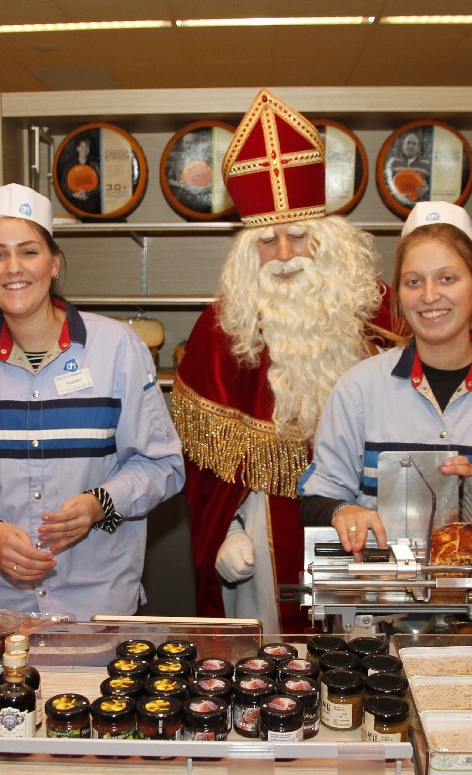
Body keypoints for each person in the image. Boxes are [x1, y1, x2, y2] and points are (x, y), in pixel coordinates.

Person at [172, 89, 404, 633]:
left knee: (364, 654)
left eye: (297, 236)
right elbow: (206, 465)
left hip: (369, 519)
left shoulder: (376, 306)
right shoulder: (220, 327)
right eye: (266, 241)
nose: (282, 255)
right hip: (262, 527)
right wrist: (228, 529)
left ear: (326, 239)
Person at [0, 183, 184, 619]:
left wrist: (99, 502)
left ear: (54, 262)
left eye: (29, 251)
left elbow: (162, 465)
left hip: (95, 603)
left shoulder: (117, 349)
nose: (13, 267)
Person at [299, 201, 472, 554]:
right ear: (399, 295)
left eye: (447, 278)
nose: (430, 295)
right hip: (380, 586)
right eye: (414, 281)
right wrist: (343, 511)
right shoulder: (358, 389)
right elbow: (318, 497)